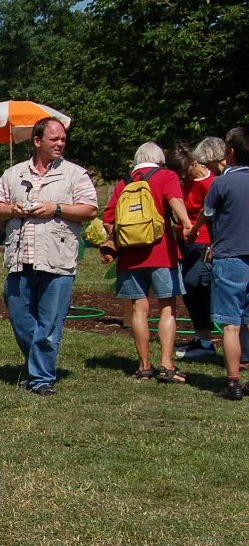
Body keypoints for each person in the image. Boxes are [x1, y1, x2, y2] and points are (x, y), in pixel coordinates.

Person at [0, 117, 98, 396]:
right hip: (19, 259)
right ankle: (39, 365)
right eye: (54, 139)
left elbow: (89, 210)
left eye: (63, 139)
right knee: (20, 318)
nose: (61, 143)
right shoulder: (14, 174)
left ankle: (41, 378)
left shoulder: (75, 174)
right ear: (37, 141)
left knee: (49, 325)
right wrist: (14, 209)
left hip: (57, 260)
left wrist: (56, 208)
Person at [101, 143, 192, 383]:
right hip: (162, 252)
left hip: (130, 256)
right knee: (167, 308)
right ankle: (167, 364)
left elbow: (108, 219)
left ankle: (143, 367)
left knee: (139, 309)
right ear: (160, 161)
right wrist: (186, 223)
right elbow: (175, 201)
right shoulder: (166, 176)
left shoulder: (124, 182)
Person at [189, 126, 249, 400]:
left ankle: (233, 383)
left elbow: (207, 213)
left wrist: (192, 231)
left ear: (231, 152)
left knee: (230, 325)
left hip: (230, 256)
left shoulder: (221, 183)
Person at [165, 141, 217, 360]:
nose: (183, 176)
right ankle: (200, 338)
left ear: (194, 162)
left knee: (194, 283)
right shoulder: (182, 182)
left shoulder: (210, 183)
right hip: (184, 241)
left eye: (185, 171)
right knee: (189, 289)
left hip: (203, 241)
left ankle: (206, 340)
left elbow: (211, 214)